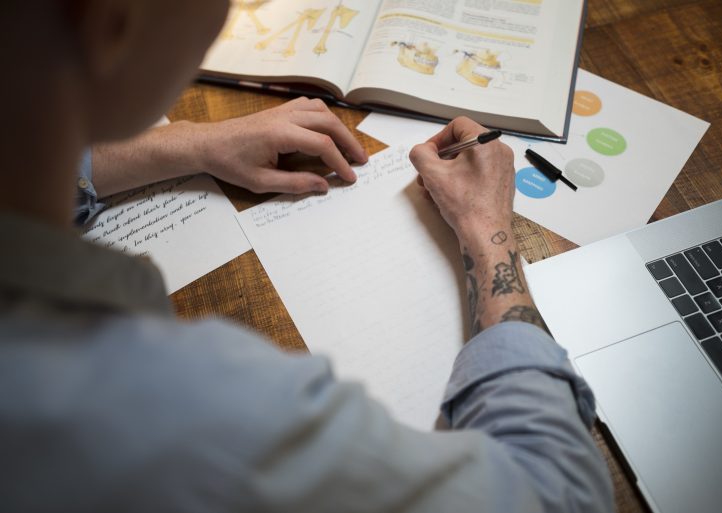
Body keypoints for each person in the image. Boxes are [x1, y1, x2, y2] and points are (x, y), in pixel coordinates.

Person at [0, 0, 613, 512]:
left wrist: (185, 142)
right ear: (111, 22)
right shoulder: (183, 407)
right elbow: (558, 491)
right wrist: (485, 227)